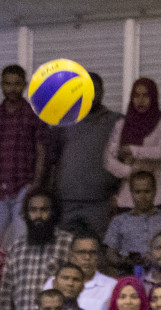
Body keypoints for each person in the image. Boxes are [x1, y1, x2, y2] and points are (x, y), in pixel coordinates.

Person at [0, 64, 48, 249]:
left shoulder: (34, 115)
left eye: (17, 84)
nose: (12, 88)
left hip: (24, 187)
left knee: (20, 244)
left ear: (24, 85)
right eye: (8, 84)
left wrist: (37, 183)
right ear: (1, 85)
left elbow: (41, 151)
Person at [54, 72, 121, 239]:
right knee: (65, 251)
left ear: (102, 92)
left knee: (96, 251)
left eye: (95, 90)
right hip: (65, 201)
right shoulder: (63, 121)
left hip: (100, 201)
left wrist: (117, 193)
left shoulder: (115, 121)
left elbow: (125, 158)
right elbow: (52, 158)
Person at [0, 190, 73, 310]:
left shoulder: (68, 243)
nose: (38, 215)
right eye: (33, 210)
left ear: (53, 213)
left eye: (44, 210)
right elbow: (5, 293)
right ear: (26, 214)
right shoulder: (16, 247)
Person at [107, 78, 161, 214]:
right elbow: (109, 160)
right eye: (136, 96)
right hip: (128, 197)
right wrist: (130, 171)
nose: (141, 100)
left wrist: (132, 150)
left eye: (146, 95)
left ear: (153, 97)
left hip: (160, 196)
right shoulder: (122, 125)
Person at [106, 172, 161, 275]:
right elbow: (110, 253)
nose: (142, 197)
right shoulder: (119, 221)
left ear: (155, 191)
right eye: (138, 192)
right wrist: (123, 262)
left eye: (147, 191)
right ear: (131, 192)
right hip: (128, 277)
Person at [46, 236, 116, 310]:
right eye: (81, 252)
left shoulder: (112, 286)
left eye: (93, 252)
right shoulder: (53, 282)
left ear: (98, 256)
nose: (87, 257)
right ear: (71, 256)